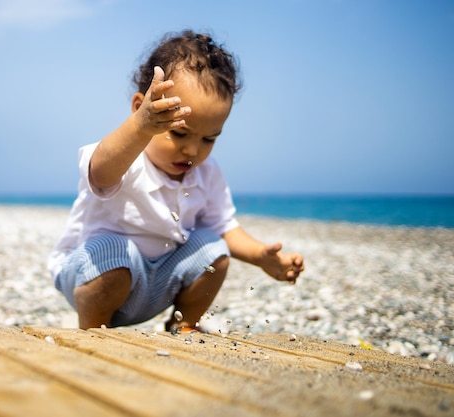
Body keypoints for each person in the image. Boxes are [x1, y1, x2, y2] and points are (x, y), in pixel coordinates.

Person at [48, 30, 304, 331]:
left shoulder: (205, 173)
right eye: (179, 132)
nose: (192, 150)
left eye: (209, 138)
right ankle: (93, 332)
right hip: (91, 274)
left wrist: (261, 256)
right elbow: (100, 173)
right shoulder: (126, 156)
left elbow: (224, 228)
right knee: (116, 251)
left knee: (214, 251)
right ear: (140, 109)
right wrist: (138, 130)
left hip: (156, 282)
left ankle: (183, 327)